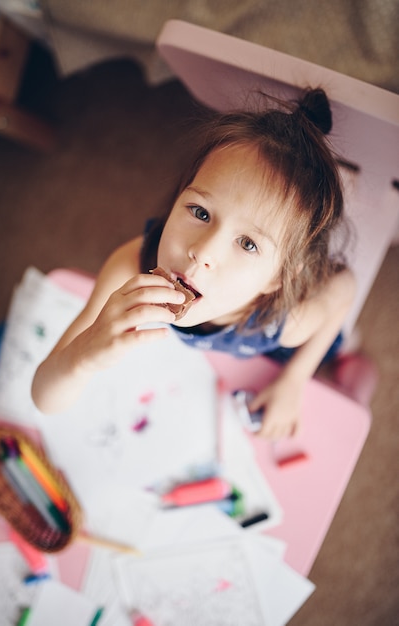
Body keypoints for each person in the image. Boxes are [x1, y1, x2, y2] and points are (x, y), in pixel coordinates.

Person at [32, 87, 355, 439]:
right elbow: (44, 398)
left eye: (248, 243)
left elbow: (345, 286)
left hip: (274, 347)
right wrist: (83, 355)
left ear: (276, 279)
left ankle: (355, 368)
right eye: (200, 212)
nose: (202, 252)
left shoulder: (289, 323)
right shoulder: (131, 266)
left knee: (345, 359)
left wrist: (295, 379)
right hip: (222, 360)